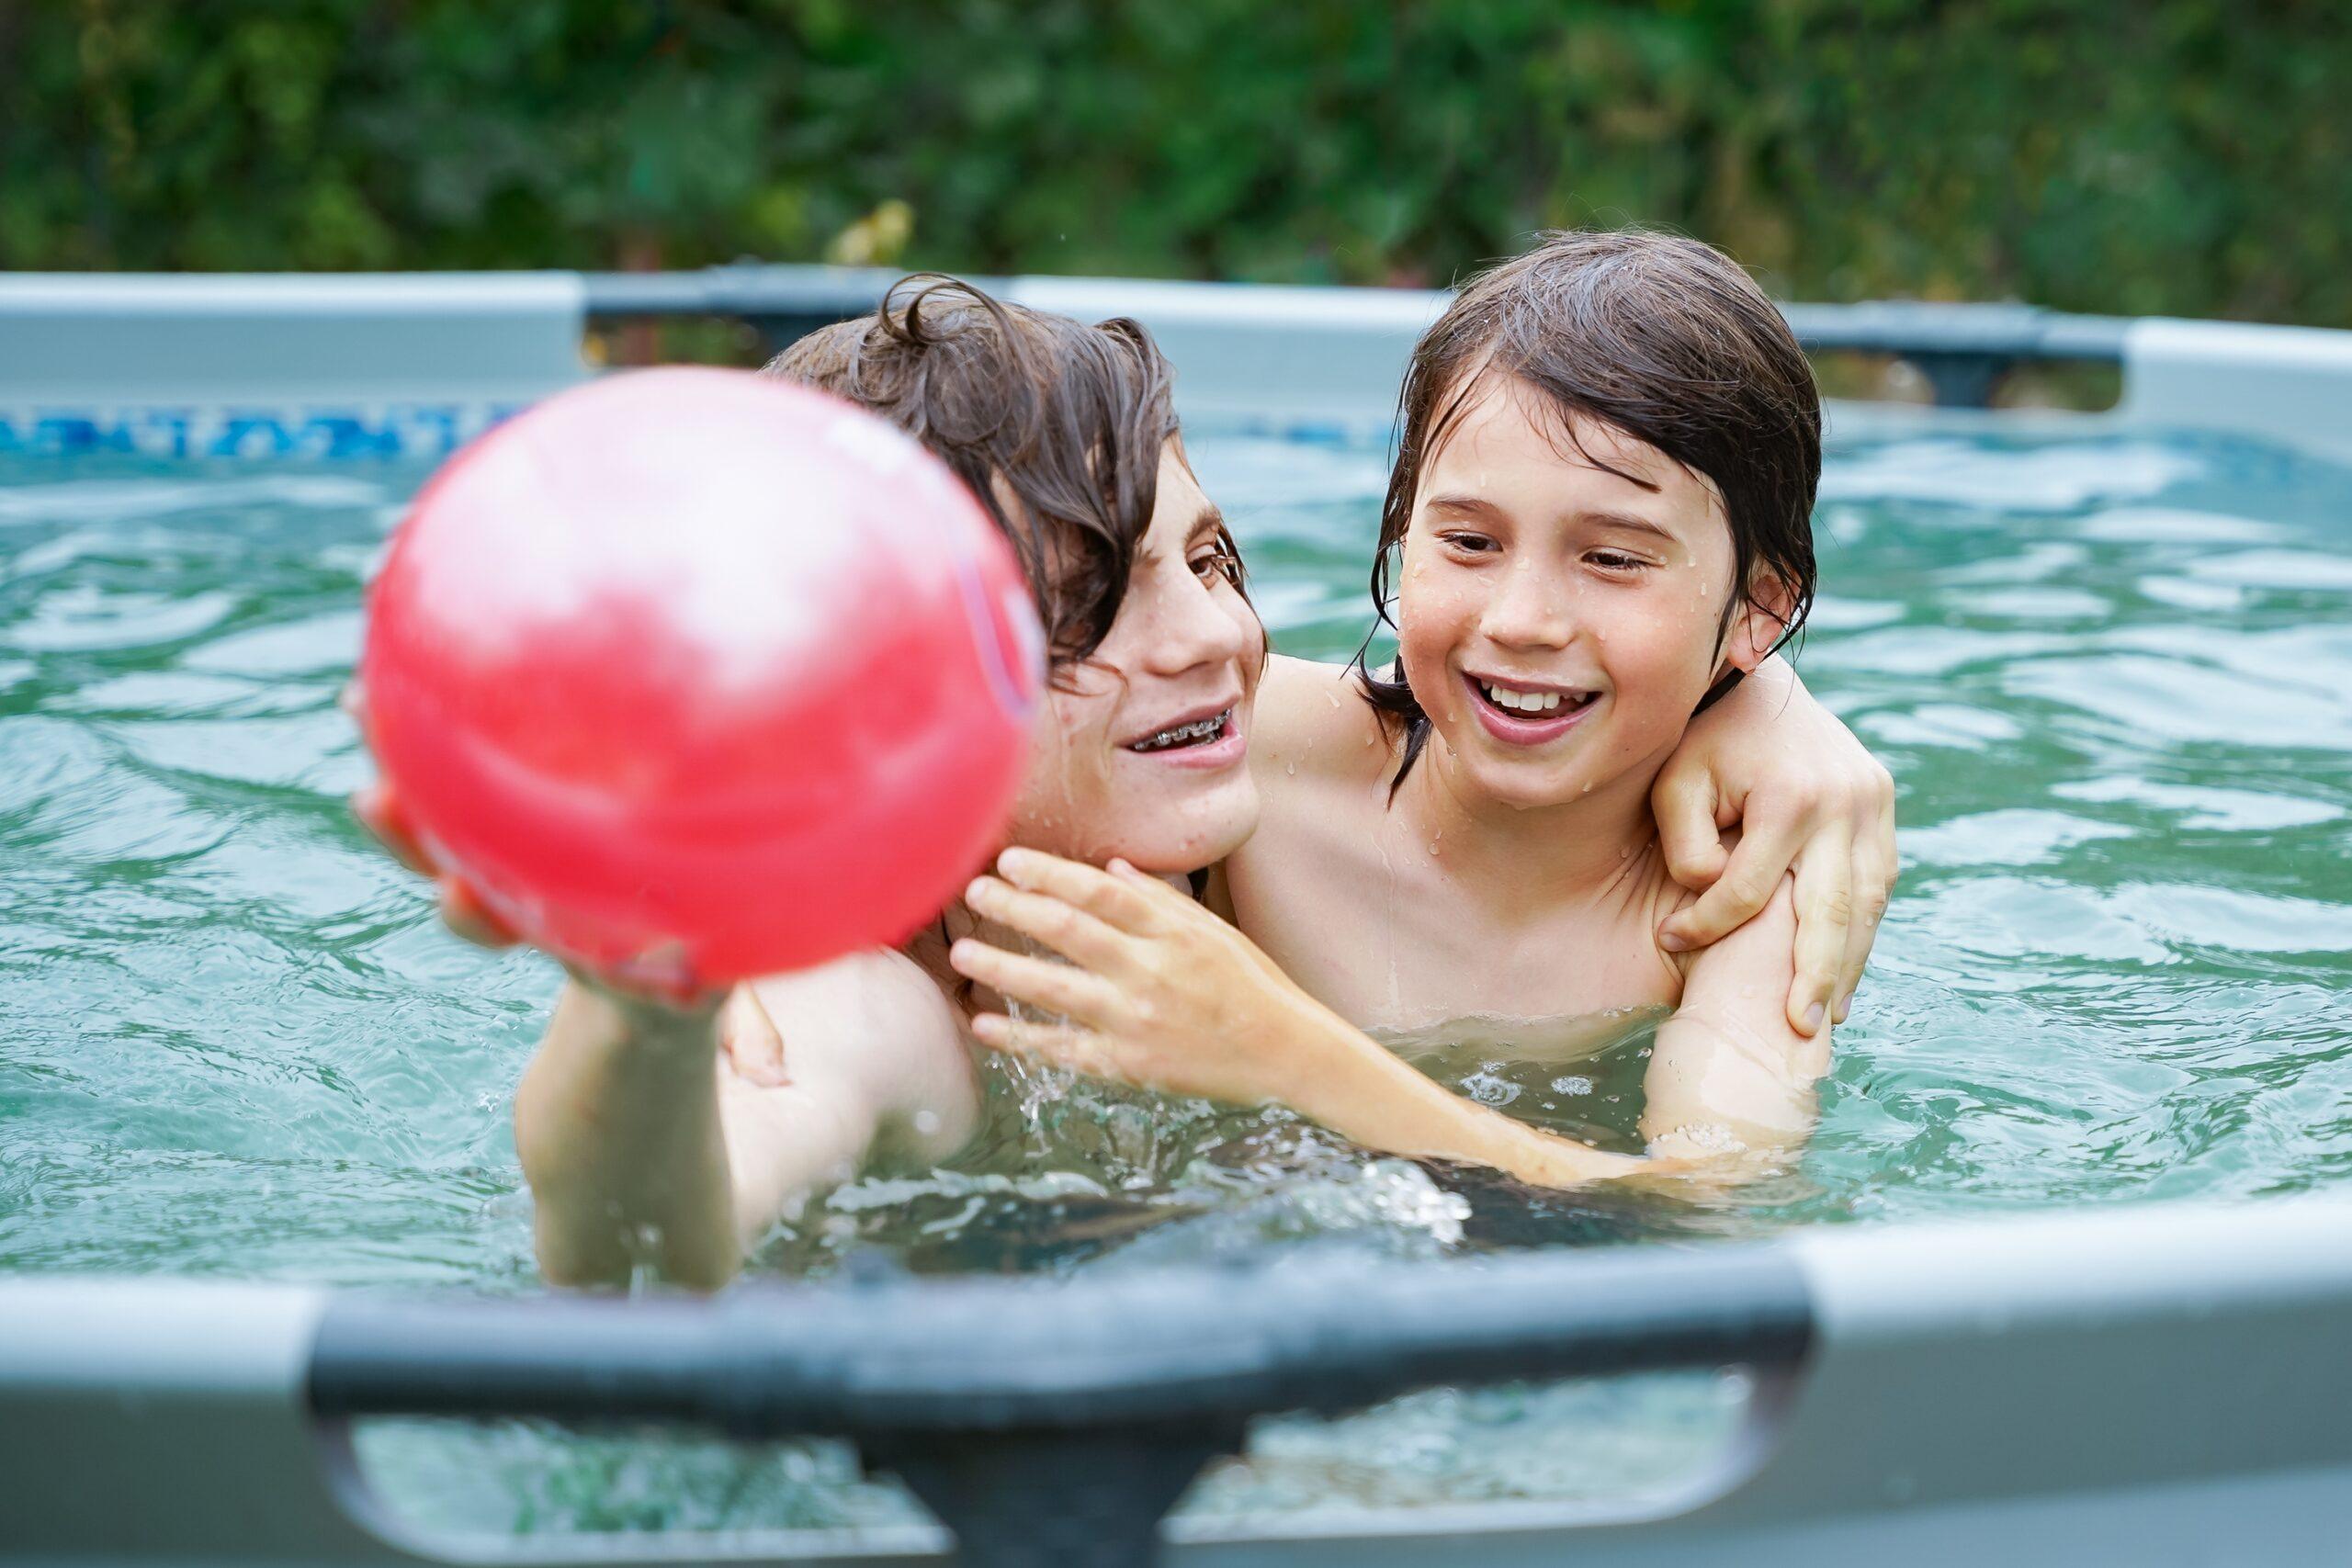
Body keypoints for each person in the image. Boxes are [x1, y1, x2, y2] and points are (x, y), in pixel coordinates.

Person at [353, 270, 1894, 1288]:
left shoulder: (1267, 763)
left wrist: (1764, 708)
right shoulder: (889, 991)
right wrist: (641, 1008)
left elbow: (1713, 1217)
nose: (1215, 640)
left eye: (1212, 559)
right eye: (1089, 605)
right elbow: (629, 1268)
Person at [951, 231, 1861, 1181]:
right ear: (1399, 536)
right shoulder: (1246, 746)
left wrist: (1280, 1051)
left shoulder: (1742, 888)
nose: (1522, 620)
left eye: (1612, 558)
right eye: (1469, 541)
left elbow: (1700, 1203)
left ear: (1758, 608)